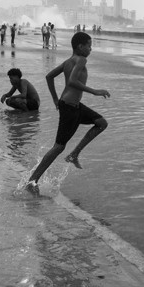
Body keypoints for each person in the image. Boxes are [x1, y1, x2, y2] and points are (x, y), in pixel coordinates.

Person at [24, 32, 110, 196]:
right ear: (80, 46)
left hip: (72, 105)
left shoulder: (68, 61)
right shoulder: (81, 60)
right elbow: (72, 81)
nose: (91, 49)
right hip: (70, 108)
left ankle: (74, 154)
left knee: (101, 123)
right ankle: (32, 181)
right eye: (89, 45)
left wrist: (56, 99)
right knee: (58, 147)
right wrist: (95, 91)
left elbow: (49, 76)